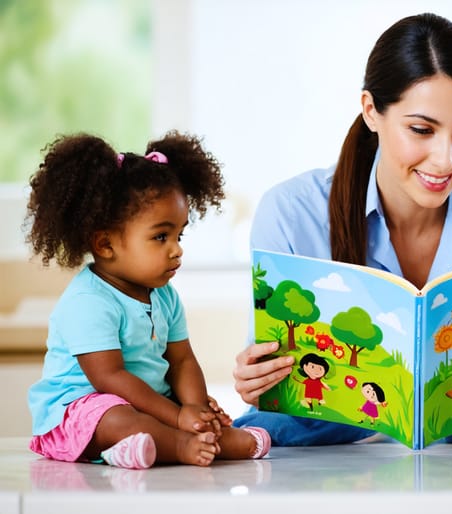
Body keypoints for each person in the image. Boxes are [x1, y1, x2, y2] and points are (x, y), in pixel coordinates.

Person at [231, 12, 452, 446]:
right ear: (371, 112)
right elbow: (272, 379)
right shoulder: (290, 211)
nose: (445, 159)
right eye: (421, 129)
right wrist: (256, 377)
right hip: (328, 456)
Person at [25, 131, 271, 469]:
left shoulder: (165, 296)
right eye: (160, 236)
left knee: (185, 412)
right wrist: (177, 416)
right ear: (105, 245)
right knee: (117, 420)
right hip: (83, 409)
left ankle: (186, 439)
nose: (177, 248)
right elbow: (110, 378)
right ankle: (179, 445)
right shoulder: (88, 301)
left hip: (149, 402)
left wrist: (196, 410)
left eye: (179, 234)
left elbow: (182, 360)